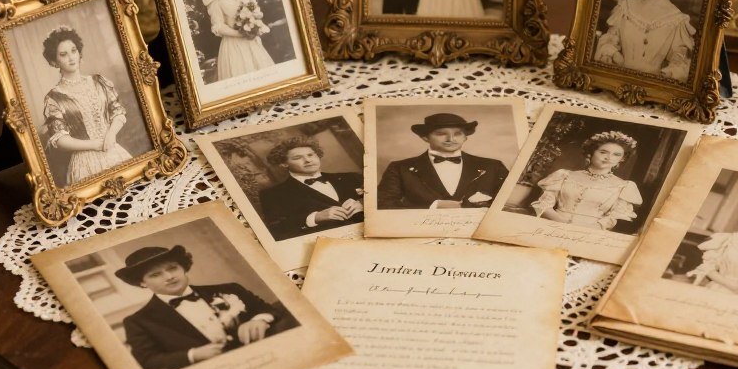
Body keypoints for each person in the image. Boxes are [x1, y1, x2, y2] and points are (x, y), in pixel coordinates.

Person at [116, 244, 298, 369]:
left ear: (183, 267)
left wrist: (260, 319)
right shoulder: (139, 321)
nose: (169, 276)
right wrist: (192, 355)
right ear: (142, 282)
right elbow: (146, 361)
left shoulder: (229, 289)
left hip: (272, 359)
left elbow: (270, 309)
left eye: (173, 268)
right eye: (155, 274)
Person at [41, 25, 134, 186]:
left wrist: (111, 135)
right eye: (63, 54)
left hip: (114, 151)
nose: (71, 57)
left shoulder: (99, 82)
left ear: (79, 52)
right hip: (84, 163)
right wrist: (94, 145)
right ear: (55, 62)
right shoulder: (54, 98)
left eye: (74, 51)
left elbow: (117, 111)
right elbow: (60, 139)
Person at [377, 112, 509, 210]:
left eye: (458, 133)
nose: (450, 139)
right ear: (425, 137)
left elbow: (511, 202)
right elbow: (383, 204)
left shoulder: (492, 166)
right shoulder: (401, 168)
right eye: (441, 133)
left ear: (465, 138)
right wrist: (434, 206)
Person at [256, 136, 364, 241]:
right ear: (284, 164)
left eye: (310, 155)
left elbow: (379, 203)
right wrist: (315, 217)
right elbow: (276, 229)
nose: (308, 160)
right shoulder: (272, 194)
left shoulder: (351, 177)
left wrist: (364, 204)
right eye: (297, 158)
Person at [530, 131, 643, 231]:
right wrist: (564, 225)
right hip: (553, 227)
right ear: (591, 152)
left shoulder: (624, 186)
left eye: (616, 154)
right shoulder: (564, 175)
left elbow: (613, 218)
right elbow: (543, 206)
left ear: (622, 159)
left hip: (591, 234)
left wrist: (584, 231)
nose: (609, 158)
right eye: (603, 152)